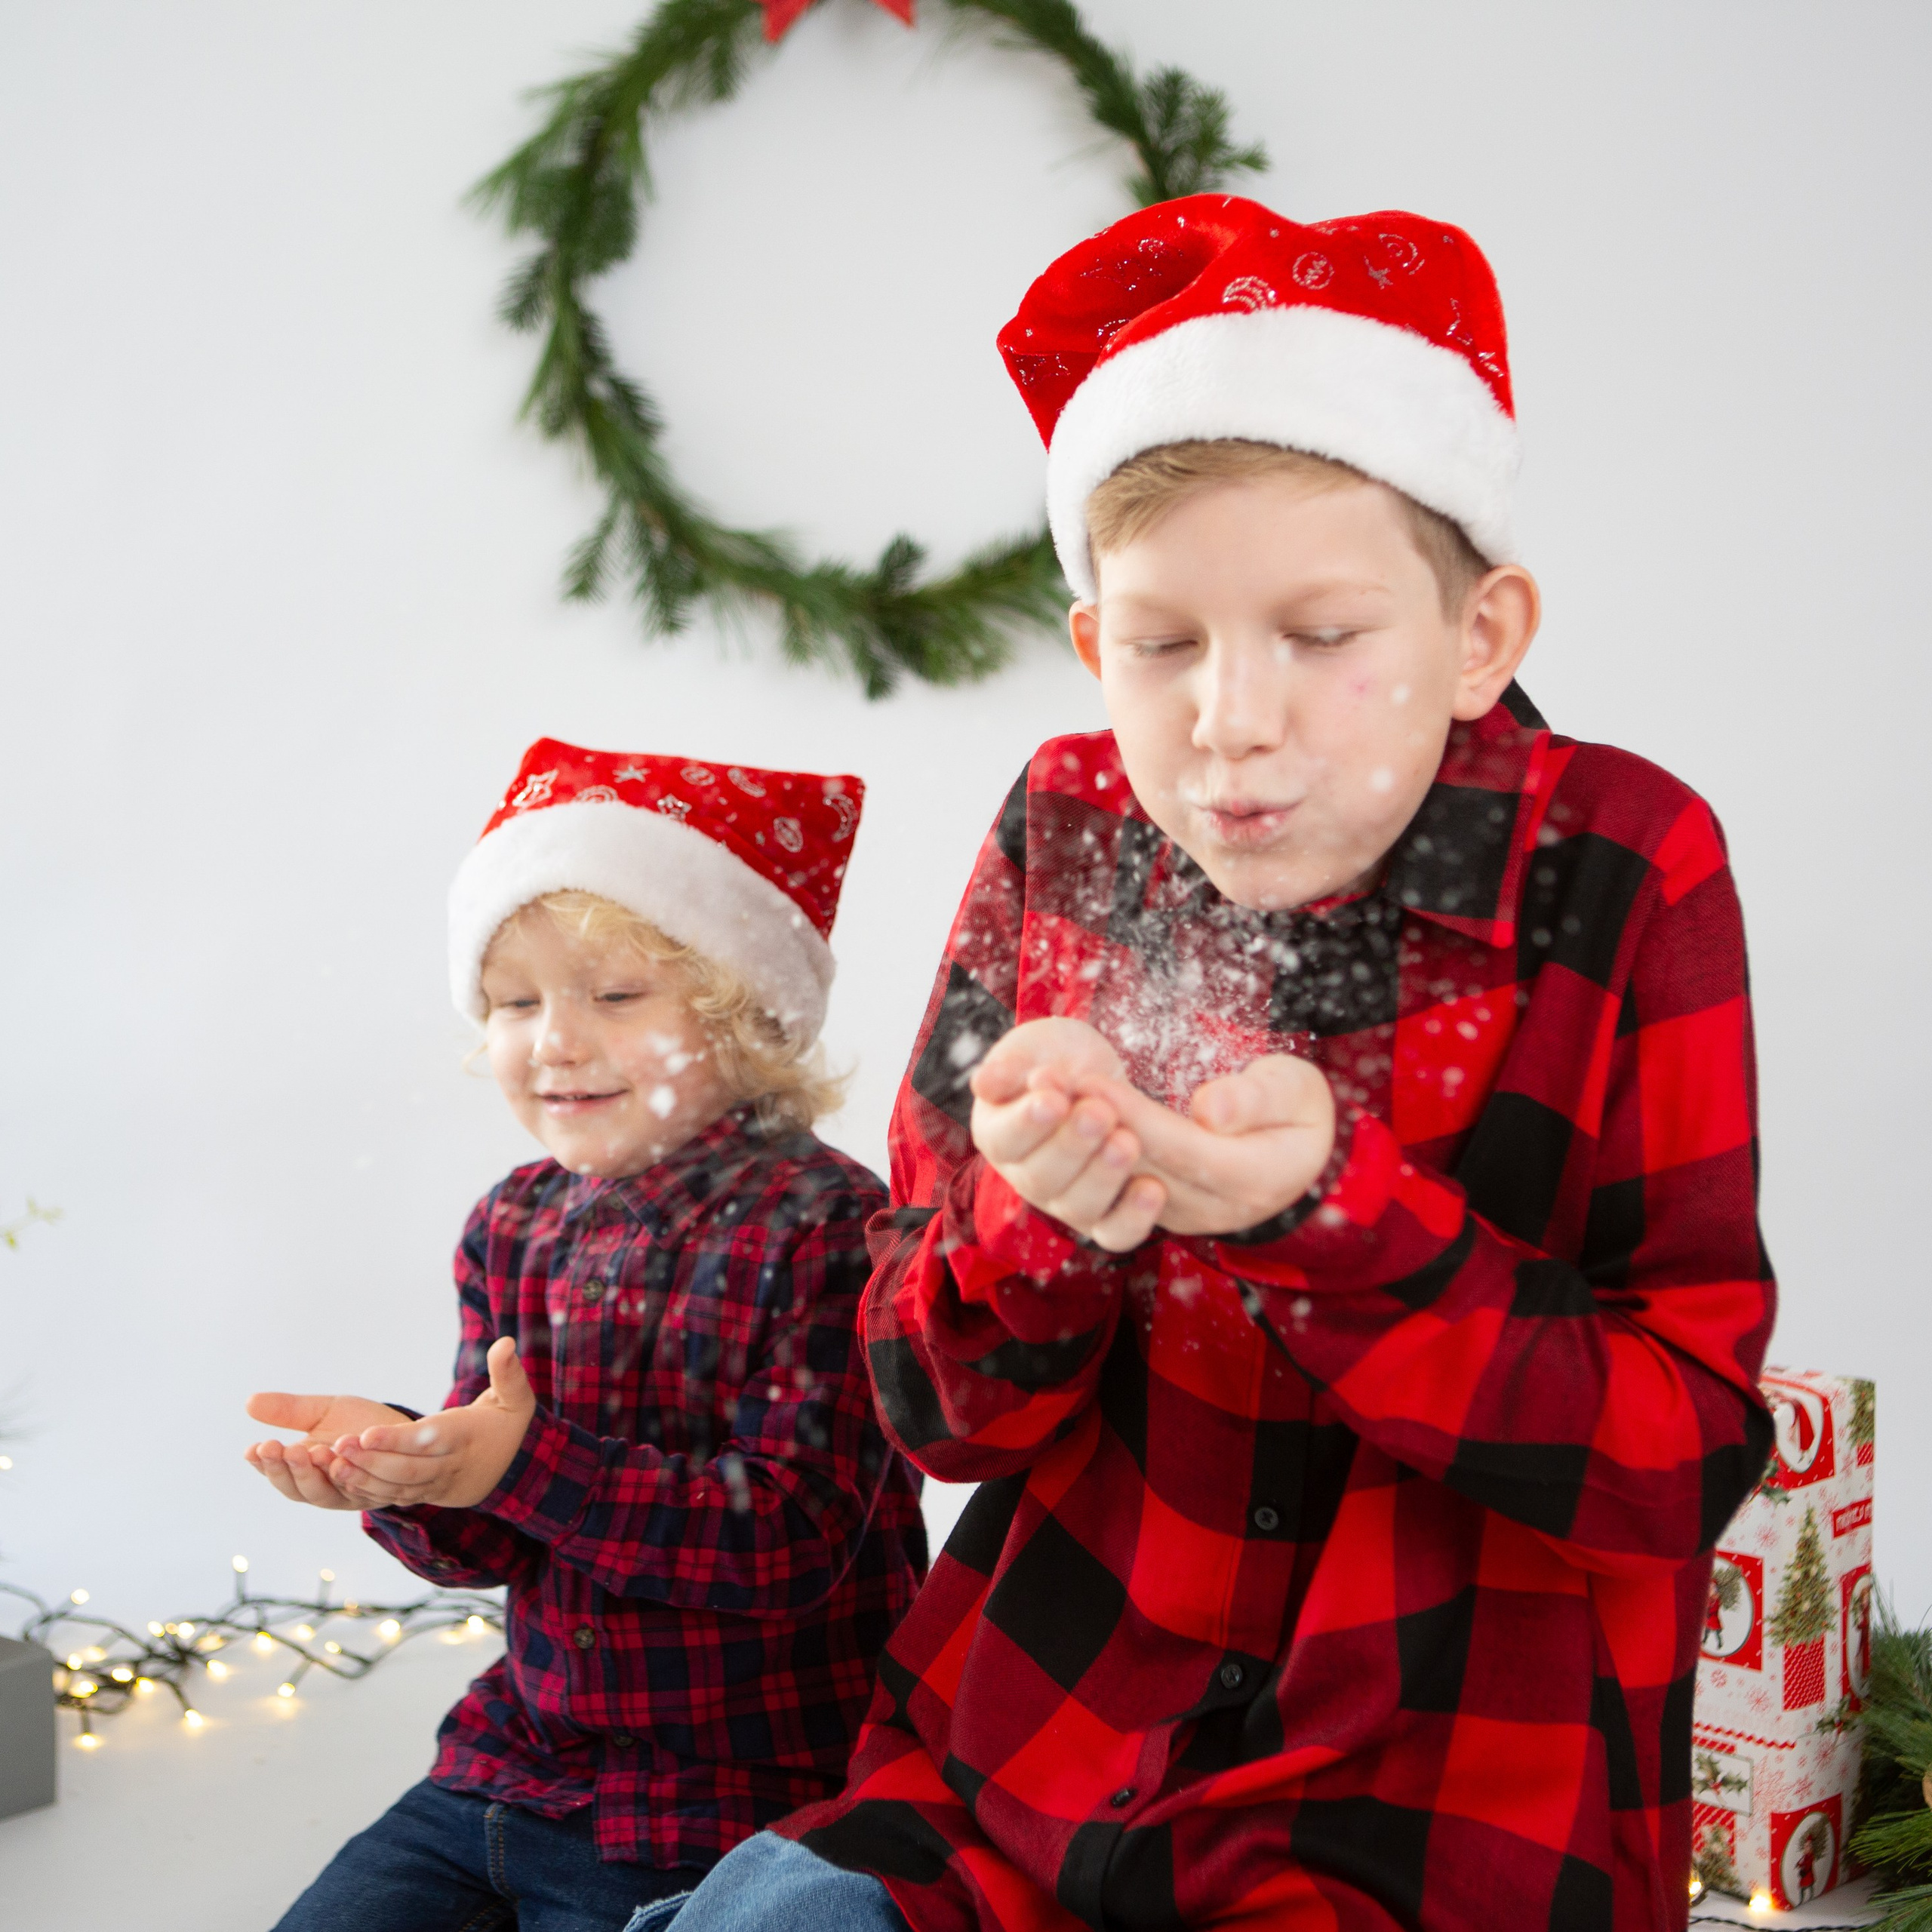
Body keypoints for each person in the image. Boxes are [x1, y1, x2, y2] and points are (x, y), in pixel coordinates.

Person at [663, 199, 1776, 1932]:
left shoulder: (1620, 865)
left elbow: (1673, 1461)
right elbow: (931, 1409)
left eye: (1323, 637)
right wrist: (1028, 1225)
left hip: (1431, 1799)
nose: (1229, 719)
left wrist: (1338, 1222)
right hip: (1032, 1746)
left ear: (1477, 635)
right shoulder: (1065, 826)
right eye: (1163, 642)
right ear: (1097, 640)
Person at [242, 742, 926, 1932]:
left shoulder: (829, 1228)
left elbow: (792, 1543)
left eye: (614, 996)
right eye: (516, 1003)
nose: (554, 1039)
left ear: (747, 1013)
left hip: (724, 1802)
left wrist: (522, 1465)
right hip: (509, 1770)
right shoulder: (511, 1222)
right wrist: (413, 1472)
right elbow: (491, 1543)